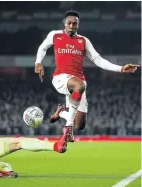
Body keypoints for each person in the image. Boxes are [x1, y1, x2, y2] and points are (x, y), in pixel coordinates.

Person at [34, 10, 139, 142]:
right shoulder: (55, 35)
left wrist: (121, 69)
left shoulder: (83, 41)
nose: (72, 26)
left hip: (78, 82)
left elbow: (98, 60)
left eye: (75, 23)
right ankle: (68, 128)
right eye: (69, 23)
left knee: (81, 125)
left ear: (78, 25)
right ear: (64, 24)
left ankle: (61, 113)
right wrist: (38, 62)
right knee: (79, 85)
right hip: (61, 78)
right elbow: (43, 48)